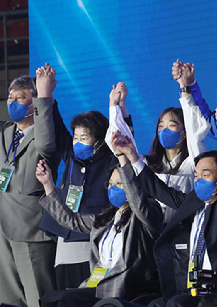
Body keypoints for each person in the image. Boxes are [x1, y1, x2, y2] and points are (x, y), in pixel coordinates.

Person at [115, 102, 217, 307]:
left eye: (205, 175)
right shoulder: (195, 202)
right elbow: (158, 190)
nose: (198, 180)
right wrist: (132, 156)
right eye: (196, 175)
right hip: (190, 286)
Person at [35, 131, 163, 307]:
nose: (113, 188)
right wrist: (48, 185)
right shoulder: (107, 219)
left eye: (120, 184)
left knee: (66, 300)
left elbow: (137, 202)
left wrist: (122, 158)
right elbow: (70, 220)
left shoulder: (146, 215)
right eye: (110, 184)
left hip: (125, 285)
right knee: (49, 299)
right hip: (97, 282)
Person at [38, 82, 133, 291]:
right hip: (66, 236)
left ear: (99, 140)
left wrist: (118, 105)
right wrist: (48, 95)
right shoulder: (71, 155)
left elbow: (126, 137)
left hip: (94, 233)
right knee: (66, 293)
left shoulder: (111, 159)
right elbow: (57, 124)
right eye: (76, 137)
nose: (78, 142)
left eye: (85, 138)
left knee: (89, 293)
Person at [106, 61, 210, 224]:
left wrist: (185, 89)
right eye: (161, 126)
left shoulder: (192, 164)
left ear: (184, 133)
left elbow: (195, 128)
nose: (164, 130)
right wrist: (117, 107)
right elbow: (123, 145)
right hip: (151, 233)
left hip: (181, 232)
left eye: (172, 125)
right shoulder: (146, 163)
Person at [0, 64, 62, 307]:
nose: (13, 102)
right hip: (3, 228)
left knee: (38, 298)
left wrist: (44, 95)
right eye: (10, 98)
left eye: (21, 97)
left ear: (33, 105)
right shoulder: (5, 133)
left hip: (31, 228)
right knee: (8, 298)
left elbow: (46, 145)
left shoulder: (46, 135)